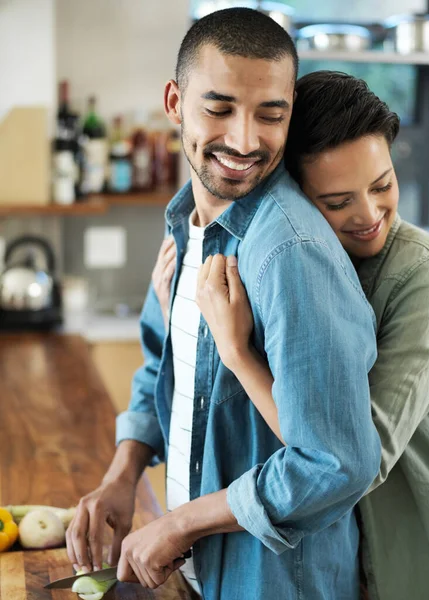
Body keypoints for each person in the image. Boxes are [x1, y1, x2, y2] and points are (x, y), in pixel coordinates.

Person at [65, 11, 381, 600]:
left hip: (271, 583)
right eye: (219, 108)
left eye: (271, 114)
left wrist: (180, 522)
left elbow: (337, 463)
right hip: (201, 573)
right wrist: (122, 476)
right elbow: (166, 364)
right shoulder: (188, 222)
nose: (244, 140)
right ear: (174, 102)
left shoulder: (289, 252)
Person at [154, 71, 429, 600]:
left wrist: (236, 354)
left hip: (412, 561)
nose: (368, 215)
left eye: (382, 185)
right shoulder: (293, 259)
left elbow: (352, 458)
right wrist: (178, 314)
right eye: (336, 203)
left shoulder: (425, 277)